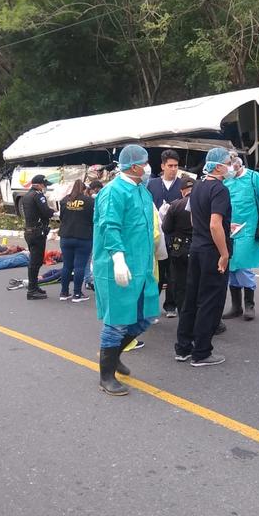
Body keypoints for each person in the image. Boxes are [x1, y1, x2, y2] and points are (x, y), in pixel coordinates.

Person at [92, 144, 159, 395]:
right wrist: (118, 259)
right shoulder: (113, 192)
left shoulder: (143, 191)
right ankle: (106, 375)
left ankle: (116, 354)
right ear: (133, 166)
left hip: (142, 266)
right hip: (117, 266)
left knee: (146, 316)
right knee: (118, 321)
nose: (148, 166)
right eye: (145, 162)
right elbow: (110, 227)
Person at [174, 147, 234, 368]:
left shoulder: (197, 187)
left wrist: (222, 228)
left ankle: (183, 347)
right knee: (210, 301)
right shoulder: (219, 190)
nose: (231, 165)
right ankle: (201, 352)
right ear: (218, 166)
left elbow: (194, 220)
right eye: (228, 162)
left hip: (197, 247)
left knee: (191, 298)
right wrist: (224, 253)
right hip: (212, 251)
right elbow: (214, 223)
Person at [221, 153, 259, 321]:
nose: (227, 169)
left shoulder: (254, 178)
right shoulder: (224, 180)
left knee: (243, 265)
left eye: (229, 165)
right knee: (231, 267)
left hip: (248, 229)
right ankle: (236, 306)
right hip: (228, 229)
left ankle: (249, 304)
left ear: (237, 164)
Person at [148, 149, 185, 318]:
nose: (173, 169)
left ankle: (171, 305)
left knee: (174, 273)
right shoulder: (152, 184)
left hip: (175, 234)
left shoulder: (182, 185)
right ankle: (151, 306)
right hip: (157, 233)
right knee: (157, 273)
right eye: (170, 165)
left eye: (176, 166)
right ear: (163, 166)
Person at [160, 176, 195, 317]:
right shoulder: (205, 203)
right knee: (197, 283)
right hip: (199, 247)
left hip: (179, 248)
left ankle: (183, 314)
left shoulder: (175, 205)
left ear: (182, 191)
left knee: (180, 284)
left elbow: (166, 228)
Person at [20, 175, 57, 300]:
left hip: (29, 232)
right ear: (39, 184)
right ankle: (32, 289)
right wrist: (54, 212)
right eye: (44, 184)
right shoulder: (38, 195)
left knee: (34, 261)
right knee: (36, 262)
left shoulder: (26, 196)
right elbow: (45, 212)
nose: (45, 187)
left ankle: (34, 286)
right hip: (37, 232)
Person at [58, 179, 95, 302]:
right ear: (84, 190)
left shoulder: (64, 200)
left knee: (67, 266)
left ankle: (64, 292)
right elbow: (93, 219)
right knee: (79, 266)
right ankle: (77, 294)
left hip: (66, 236)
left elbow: (61, 217)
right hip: (83, 237)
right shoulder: (90, 201)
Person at [83, 180, 104, 291]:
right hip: (90, 232)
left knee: (87, 258)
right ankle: (89, 280)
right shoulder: (91, 201)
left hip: (85, 232)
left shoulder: (86, 199)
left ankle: (88, 279)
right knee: (89, 257)